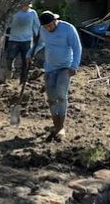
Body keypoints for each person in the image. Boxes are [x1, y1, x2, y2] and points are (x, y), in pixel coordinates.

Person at [31, 10, 83, 142]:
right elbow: (40, 43)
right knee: (51, 97)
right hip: (49, 68)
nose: (48, 28)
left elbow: (77, 48)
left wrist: (74, 66)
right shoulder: (43, 30)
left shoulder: (68, 29)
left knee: (61, 94)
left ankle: (61, 127)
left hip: (65, 68)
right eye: (45, 27)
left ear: (55, 21)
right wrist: (29, 54)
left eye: (50, 25)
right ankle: (56, 125)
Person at [4, 3, 41, 85]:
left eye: (28, 6)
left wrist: (39, 34)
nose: (26, 7)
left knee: (26, 61)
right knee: (9, 58)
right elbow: (7, 23)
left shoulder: (32, 13)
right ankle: (10, 70)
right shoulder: (15, 12)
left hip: (27, 41)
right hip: (14, 39)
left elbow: (36, 25)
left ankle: (23, 80)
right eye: (25, 6)